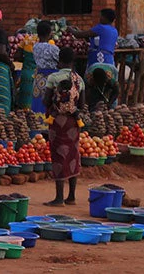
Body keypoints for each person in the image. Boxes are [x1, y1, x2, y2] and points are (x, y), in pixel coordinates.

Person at [43, 47, 85, 207]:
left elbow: (46, 101)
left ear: (59, 61)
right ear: (73, 61)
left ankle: (59, 198)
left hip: (57, 121)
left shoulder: (53, 77)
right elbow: (82, 103)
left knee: (59, 155)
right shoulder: (79, 80)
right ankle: (71, 196)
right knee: (73, 155)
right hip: (73, 122)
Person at [31, 21, 61, 129]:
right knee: (50, 102)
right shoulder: (53, 48)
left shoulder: (35, 47)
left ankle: (37, 127)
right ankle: (48, 128)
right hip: (50, 79)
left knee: (38, 102)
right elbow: (61, 61)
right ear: (49, 33)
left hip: (39, 79)